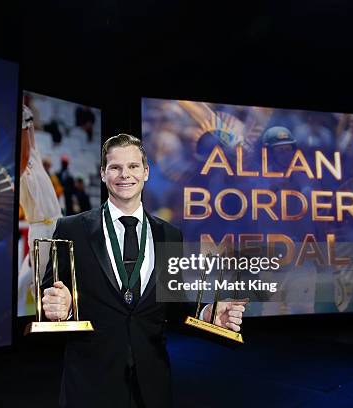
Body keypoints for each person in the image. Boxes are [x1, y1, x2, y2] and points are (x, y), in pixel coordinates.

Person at [41, 134, 247, 408]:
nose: (124, 174)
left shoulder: (169, 234)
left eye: (133, 166)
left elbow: (172, 309)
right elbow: (50, 297)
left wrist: (206, 313)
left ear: (146, 172)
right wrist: (61, 309)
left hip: (151, 386)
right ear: (103, 173)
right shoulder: (71, 229)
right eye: (115, 167)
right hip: (90, 385)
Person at [17, 105, 63, 316]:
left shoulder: (34, 157)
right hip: (41, 231)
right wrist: (25, 122)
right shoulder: (18, 169)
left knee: (52, 277)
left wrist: (28, 118)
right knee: (42, 283)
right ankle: (42, 319)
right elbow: (25, 153)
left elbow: (30, 143)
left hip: (58, 223)